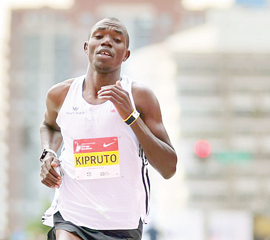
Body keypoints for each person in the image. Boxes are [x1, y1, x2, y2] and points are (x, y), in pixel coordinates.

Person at [39, 17, 177, 240]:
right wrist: (48, 153)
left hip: (123, 222)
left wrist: (131, 117)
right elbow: (50, 126)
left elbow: (169, 167)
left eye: (117, 39)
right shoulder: (61, 94)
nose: (106, 42)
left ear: (126, 55)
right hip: (72, 215)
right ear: (87, 47)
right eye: (99, 36)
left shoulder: (140, 97)